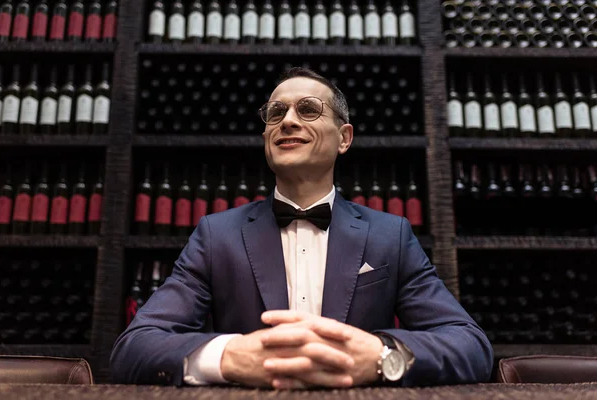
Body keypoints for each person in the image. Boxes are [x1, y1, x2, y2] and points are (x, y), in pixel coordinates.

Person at [110, 67, 493, 389]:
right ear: (266, 137)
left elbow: (470, 345)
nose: (288, 120)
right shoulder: (216, 235)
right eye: (275, 113)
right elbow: (134, 348)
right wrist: (227, 357)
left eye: (308, 110)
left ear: (344, 138)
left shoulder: (390, 236)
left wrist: (382, 356)